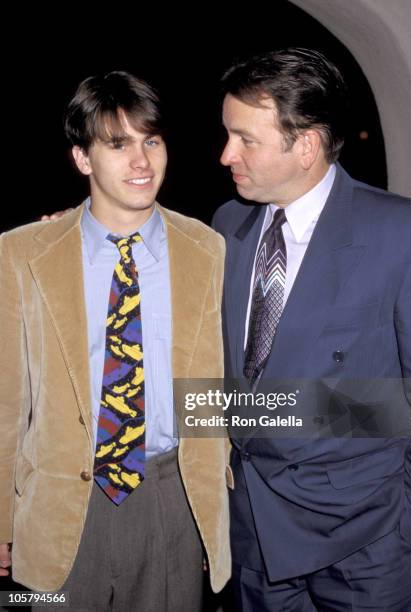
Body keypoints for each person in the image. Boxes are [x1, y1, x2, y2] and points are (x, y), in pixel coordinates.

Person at [0, 71, 230, 611]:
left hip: (171, 500)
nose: (142, 161)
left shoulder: (208, 249)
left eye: (151, 140)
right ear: (83, 159)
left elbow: (215, 393)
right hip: (59, 506)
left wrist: (210, 510)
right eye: (118, 144)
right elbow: (7, 403)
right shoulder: (23, 252)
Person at [212, 48, 411, 611]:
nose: (226, 153)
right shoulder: (228, 223)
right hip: (253, 537)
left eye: (245, 139)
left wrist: (409, 527)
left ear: (305, 145)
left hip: (365, 547)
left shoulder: (402, 234)